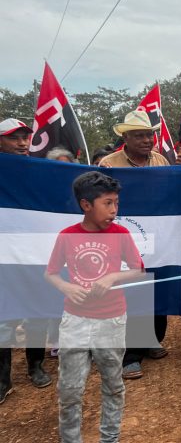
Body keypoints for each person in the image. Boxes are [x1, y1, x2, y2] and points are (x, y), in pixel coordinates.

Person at [44, 171, 144, 442]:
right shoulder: (67, 236)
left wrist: (113, 276)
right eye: (108, 203)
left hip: (111, 320)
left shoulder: (121, 233)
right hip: (75, 320)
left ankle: (109, 438)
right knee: (70, 390)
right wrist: (65, 287)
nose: (114, 210)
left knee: (113, 384)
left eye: (116, 203)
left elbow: (138, 269)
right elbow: (50, 273)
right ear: (86, 205)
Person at [101, 110, 170, 379]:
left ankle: (152, 339)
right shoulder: (109, 163)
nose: (146, 139)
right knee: (131, 290)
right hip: (126, 235)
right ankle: (130, 354)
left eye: (149, 134)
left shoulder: (161, 161)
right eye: (139, 135)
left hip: (158, 236)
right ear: (126, 138)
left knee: (157, 284)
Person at [0, 119, 52, 405]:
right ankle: (3, 378)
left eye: (24, 137)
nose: (21, 143)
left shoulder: (40, 169)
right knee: (3, 318)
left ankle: (36, 365)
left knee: (36, 312)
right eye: (13, 138)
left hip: (33, 253)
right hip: (3, 257)